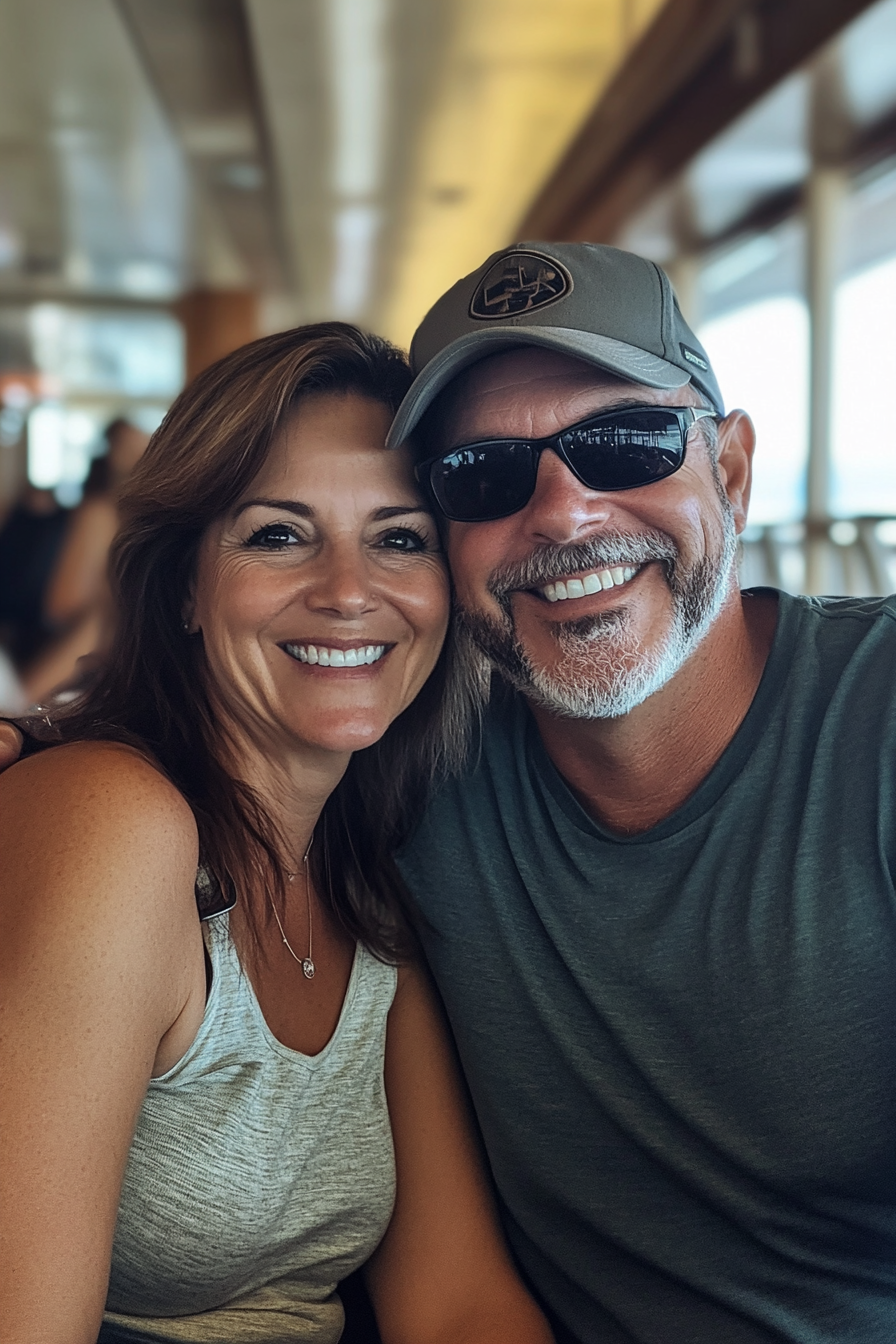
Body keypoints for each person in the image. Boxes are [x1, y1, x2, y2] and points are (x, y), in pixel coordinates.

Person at [0, 322, 553, 1344]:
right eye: (277, 534)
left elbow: (454, 1303)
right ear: (181, 591)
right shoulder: (117, 825)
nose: (348, 591)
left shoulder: (368, 878)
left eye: (398, 537)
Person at [382, 244, 896, 1344]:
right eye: (484, 474)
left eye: (623, 444)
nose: (564, 514)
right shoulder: (406, 773)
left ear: (734, 471)